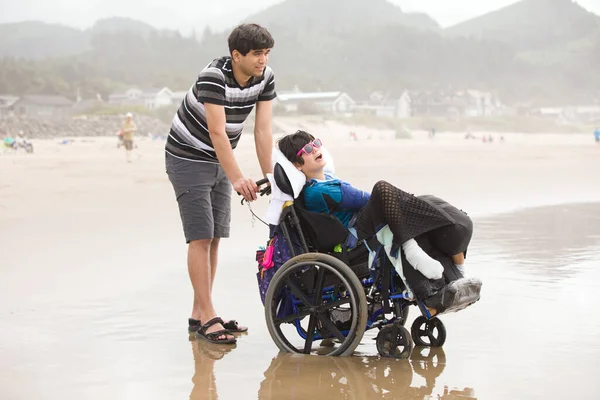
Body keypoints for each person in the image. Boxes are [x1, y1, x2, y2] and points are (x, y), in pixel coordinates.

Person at [165, 23, 276, 344]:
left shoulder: (265, 77)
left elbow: (262, 130)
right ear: (236, 55)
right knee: (200, 237)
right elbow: (217, 131)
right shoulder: (213, 77)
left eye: (266, 53)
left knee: (214, 237)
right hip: (186, 156)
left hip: (218, 158)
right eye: (256, 54)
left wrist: (270, 174)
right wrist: (238, 177)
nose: (262, 60)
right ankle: (209, 316)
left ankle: (200, 314)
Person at [277, 130, 471, 279]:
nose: (316, 150)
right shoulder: (318, 191)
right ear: (297, 165)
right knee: (383, 190)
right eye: (308, 150)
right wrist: (396, 201)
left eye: (316, 144)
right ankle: (413, 251)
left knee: (420, 200)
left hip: (361, 223)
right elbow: (366, 199)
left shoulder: (326, 179)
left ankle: (456, 270)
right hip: (353, 237)